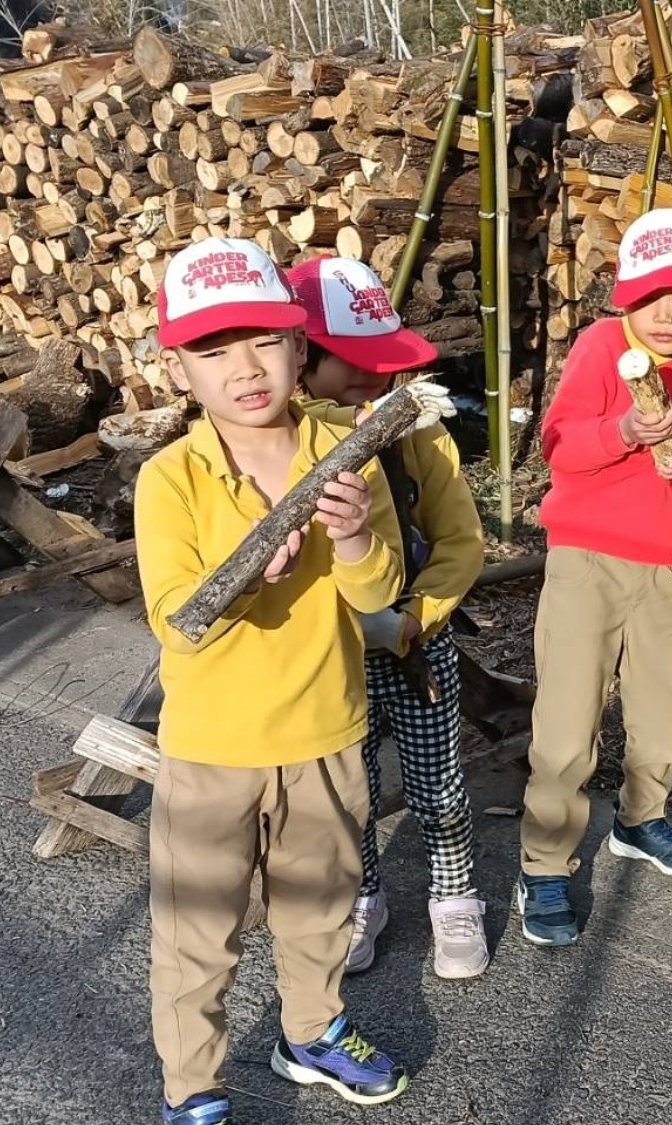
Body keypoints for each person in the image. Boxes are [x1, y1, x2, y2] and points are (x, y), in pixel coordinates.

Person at [135, 237, 439, 1123]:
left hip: (326, 732)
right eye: (214, 350)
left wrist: (352, 539)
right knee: (199, 933)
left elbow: (380, 594)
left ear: (301, 345)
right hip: (212, 750)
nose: (245, 369)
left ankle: (311, 1026)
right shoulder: (173, 477)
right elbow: (172, 617)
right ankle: (192, 1084)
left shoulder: (348, 447)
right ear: (180, 369)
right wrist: (238, 583)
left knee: (321, 907)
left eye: (265, 341)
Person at [517, 207, 672, 946]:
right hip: (583, 555)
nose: (664, 314)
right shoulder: (600, 345)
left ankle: (642, 817)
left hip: (663, 561)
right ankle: (545, 863)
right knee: (568, 718)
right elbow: (558, 444)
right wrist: (620, 433)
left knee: (661, 703)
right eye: (647, 299)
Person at [287, 254, 488, 980]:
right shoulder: (278, 444)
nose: (374, 378)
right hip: (328, 657)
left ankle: (454, 892)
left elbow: (461, 539)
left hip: (412, 643)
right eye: (353, 362)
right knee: (349, 793)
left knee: (438, 786)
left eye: (385, 362)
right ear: (300, 356)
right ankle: (364, 891)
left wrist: (417, 614)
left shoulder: (413, 430)